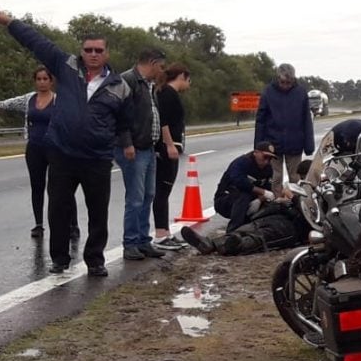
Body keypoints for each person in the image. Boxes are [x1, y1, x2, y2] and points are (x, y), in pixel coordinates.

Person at [0, 7, 133, 278]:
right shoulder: (65, 67)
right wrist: (9, 22)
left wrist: (127, 144)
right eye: (88, 49)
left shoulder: (119, 86)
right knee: (58, 209)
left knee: (97, 212)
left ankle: (95, 260)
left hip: (97, 158)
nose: (93, 54)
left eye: (99, 50)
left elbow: (123, 121)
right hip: (63, 154)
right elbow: (36, 41)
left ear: (107, 54)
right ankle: (60, 258)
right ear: (82, 51)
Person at [0, 66, 79, 240]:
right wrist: (0, 105)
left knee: (61, 187)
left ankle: (72, 224)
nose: (42, 82)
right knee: (37, 186)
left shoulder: (59, 100)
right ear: (35, 81)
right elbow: (12, 103)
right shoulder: (29, 99)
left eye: (45, 79)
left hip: (55, 148)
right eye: (39, 79)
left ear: (51, 81)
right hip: (35, 148)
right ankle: (38, 224)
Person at [181, 160, 313, 256]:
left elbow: (311, 215)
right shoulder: (305, 188)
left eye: (303, 177)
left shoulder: (321, 193)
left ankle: (233, 246)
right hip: (278, 215)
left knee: (260, 238)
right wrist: (283, 200)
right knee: (248, 228)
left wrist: (293, 198)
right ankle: (210, 244)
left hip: (293, 227)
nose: (302, 180)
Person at [116, 48, 167, 261]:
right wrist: (127, 143)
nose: (162, 71)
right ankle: (130, 243)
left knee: (148, 195)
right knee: (135, 198)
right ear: (152, 62)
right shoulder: (128, 81)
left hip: (148, 147)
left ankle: (143, 240)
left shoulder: (149, 85)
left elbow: (151, 114)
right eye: (161, 66)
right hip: (134, 148)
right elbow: (120, 115)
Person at [254, 63, 314, 197]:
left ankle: (298, 203)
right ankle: (276, 204)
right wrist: (258, 146)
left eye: (289, 82)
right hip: (272, 144)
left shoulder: (300, 92)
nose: (285, 85)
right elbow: (261, 120)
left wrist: (309, 145)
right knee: (275, 178)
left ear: (293, 80)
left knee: (296, 177)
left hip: (295, 142)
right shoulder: (268, 92)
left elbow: (306, 120)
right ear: (277, 78)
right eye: (283, 82)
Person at [152, 63, 192, 251]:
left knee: (164, 191)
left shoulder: (165, 92)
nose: (189, 85)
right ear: (182, 76)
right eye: (188, 80)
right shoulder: (168, 93)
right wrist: (169, 145)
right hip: (168, 146)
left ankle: (165, 231)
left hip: (170, 145)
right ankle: (160, 234)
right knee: (163, 189)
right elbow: (164, 121)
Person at [214, 142, 278, 233]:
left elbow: (268, 188)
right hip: (226, 200)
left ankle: (253, 229)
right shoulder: (241, 163)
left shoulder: (268, 169)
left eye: (270, 158)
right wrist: (262, 192)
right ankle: (232, 231)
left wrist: (260, 199)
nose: (267, 161)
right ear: (256, 152)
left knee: (270, 205)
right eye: (265, 157)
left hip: (251, 201)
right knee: (244, 195)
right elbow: (239, 182)